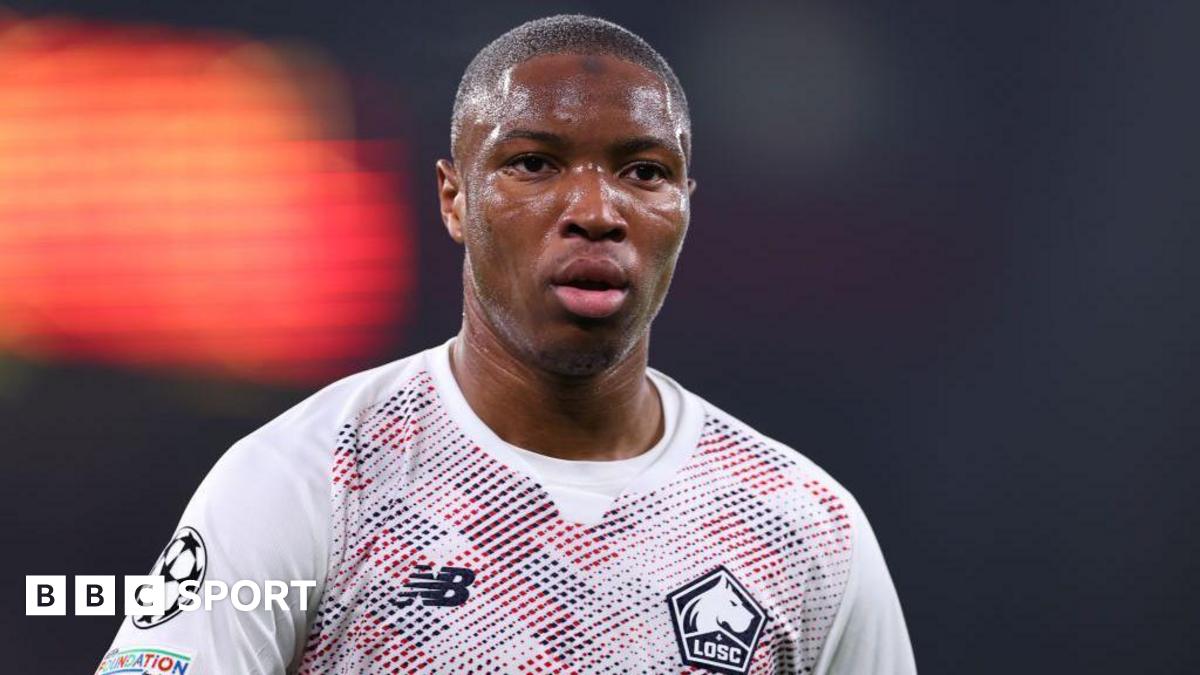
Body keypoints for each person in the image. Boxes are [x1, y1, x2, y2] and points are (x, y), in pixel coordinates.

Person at [99, 14, 916, 674]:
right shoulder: (307, 482)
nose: (596, 211)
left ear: (686, 203)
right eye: (534, 163)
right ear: (454, 198)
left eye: (643, 171)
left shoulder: (802, 527)